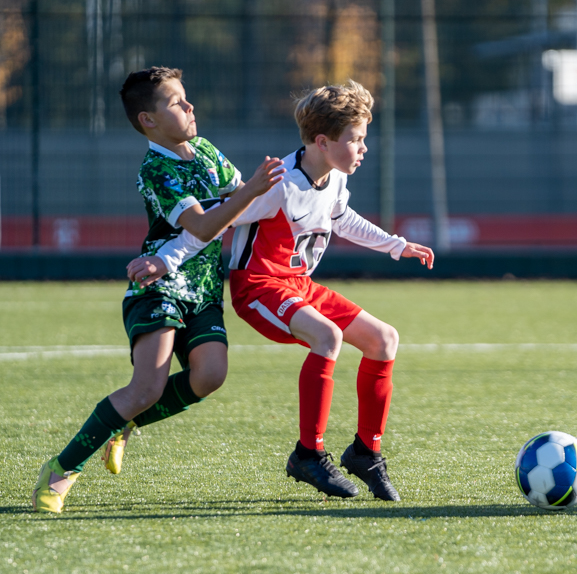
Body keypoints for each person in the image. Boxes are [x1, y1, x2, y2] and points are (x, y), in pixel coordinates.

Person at [128, 80, 434, 501]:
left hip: (299, 286)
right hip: (259, 288)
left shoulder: (334, 177)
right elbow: (215, 221)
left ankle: (367, 452)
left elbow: (342, 218)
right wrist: (165, 259)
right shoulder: (280, 184)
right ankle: (308, 454)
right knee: (328, 337)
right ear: (323, 142)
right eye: (356, 140)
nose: (363, 148)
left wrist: (397, 245)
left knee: (384, 340)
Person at [31, 66, 285, 513]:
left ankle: (123, 425)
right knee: (146, 387)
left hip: (204, 290)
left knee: (211, 376)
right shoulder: (156, 170)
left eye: (186, 98)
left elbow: (245, 202)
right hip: (161, 287)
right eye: (175, 102)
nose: (189, 106)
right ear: (148, 120)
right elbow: (206, 224)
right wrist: (250, 193)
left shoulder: (205, 150)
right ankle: (60, 469)